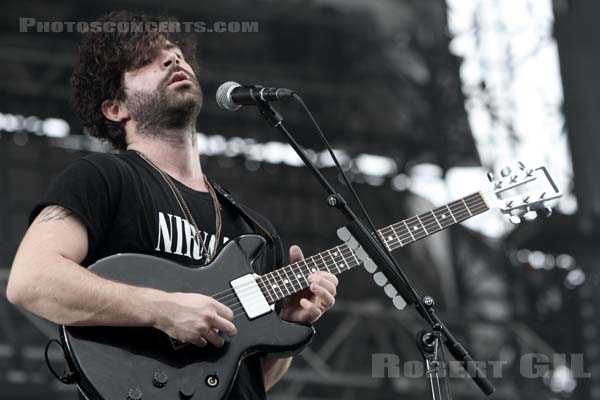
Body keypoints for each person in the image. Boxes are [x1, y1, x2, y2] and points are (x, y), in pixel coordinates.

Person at [6, 11, 338, 399]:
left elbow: (246, 374)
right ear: (116, 108)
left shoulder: (255, 230)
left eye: (174, 51)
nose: (171, 59)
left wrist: (285, 321)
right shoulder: (104, 177)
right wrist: (163, 309)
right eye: (144, 60)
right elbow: (31, 279)